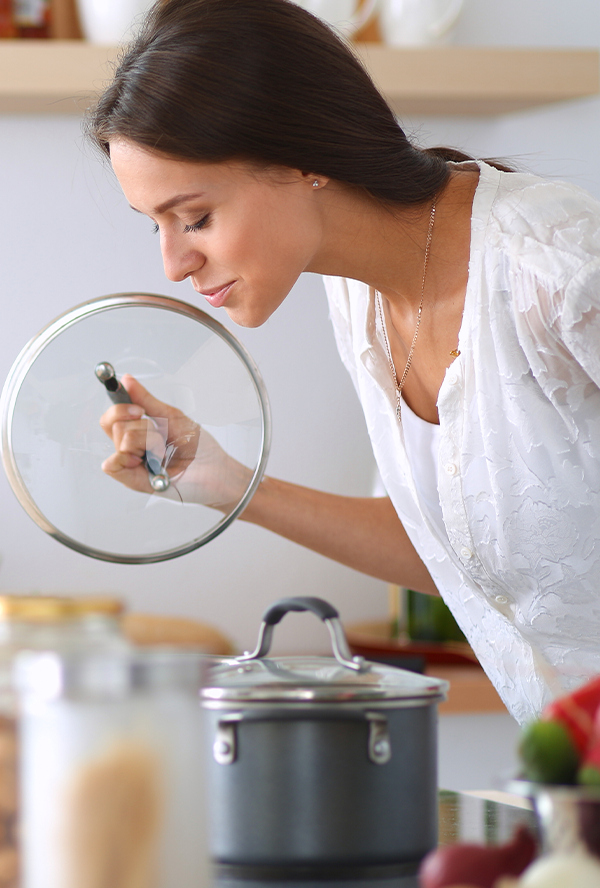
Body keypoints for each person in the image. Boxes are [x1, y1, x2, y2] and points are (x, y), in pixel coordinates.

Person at [85, 0, 600, 726]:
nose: (173, 263)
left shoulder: (554, 261)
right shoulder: (354, 299)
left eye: (195, 217)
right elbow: (468, 557)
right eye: (157, 225)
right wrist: (230, 485)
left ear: (303, 158)